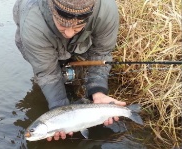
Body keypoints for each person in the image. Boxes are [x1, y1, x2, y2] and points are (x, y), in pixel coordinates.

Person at [13, 0, 126, 141]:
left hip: (82, 41)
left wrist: (98, 90)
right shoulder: (32, 23)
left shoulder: (106, 9)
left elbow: (101, 53)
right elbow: (47, 72)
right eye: (62, 24)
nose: (68, 33)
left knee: (75, 73)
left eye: (78, 25)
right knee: (46, 76)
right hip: (38, 39)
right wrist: (59, 106)